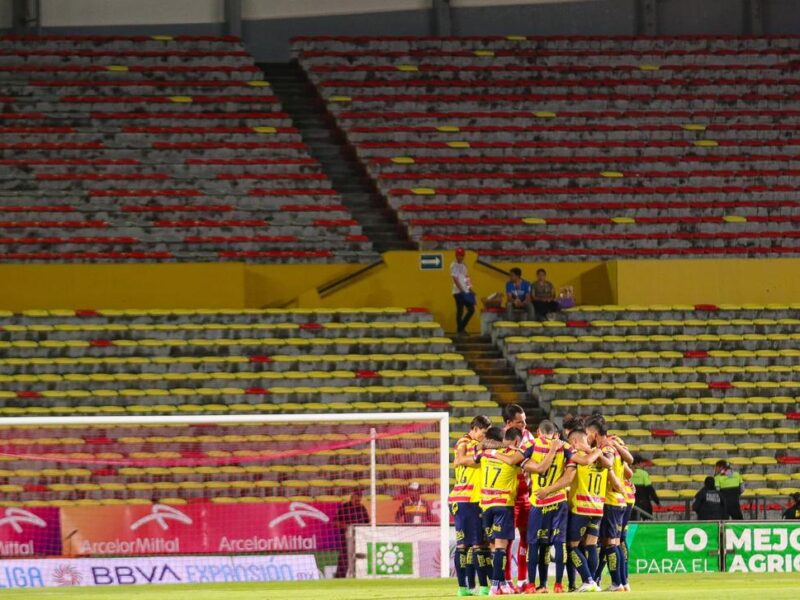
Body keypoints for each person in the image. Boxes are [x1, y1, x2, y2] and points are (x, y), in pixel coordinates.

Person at [449, 415, 493, 597]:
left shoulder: (472, 444)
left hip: (463, 499)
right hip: (469, 500)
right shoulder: (465, 442)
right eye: (483, 433)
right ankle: (482, 587)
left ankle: (465, 588)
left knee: (465, 545)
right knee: (476, 545)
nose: (484, 437)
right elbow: (460, 459)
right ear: (474, 429)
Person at [478, 427, 523, 596]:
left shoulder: (484, 453)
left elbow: (475, 454)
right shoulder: (512, 455)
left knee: (492, 547)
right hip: (503, 505)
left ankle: (502, 583)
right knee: (500, 549)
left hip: (486, 505)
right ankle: (495, 586)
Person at [586, 418, 629, 592]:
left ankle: (617, 583)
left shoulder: (606, 450)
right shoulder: (613, 447)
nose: (588, 437)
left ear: (595, 434)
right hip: (618, 501)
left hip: (611, 500)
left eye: (588, 434)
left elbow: (609, 464)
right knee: (614, 543)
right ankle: (622, 582)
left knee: (610, 543)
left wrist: (614, 480)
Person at [501, 404, 535, 591]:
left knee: (526, 537)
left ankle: (522, 580)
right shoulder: (499, 438)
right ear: (508, 423)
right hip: (508, 497)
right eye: (520, 422)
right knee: (506, 540)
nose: (524, 425)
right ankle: (506, 581)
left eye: (525, 421)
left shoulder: (528, 436)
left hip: (525, 495)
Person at [334, 489, 370, 578]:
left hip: (359, 538)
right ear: (352, 498)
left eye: (359, 499)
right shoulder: (344, 508)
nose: (357, 501)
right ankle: (340, 577)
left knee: (360, 556)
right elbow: (335, 522)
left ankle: (359, 575)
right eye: (356, 499)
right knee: (344, 557)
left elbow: (367, 522)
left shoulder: (362, 508)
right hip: (346, 538)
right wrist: (347, 527)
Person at [451, 247, 476, 335]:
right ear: (456, 255)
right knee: (460, 311)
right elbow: (455, 279)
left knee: (471, 309)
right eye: (458, 255)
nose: (460, 257)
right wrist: (461, 290)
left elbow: (466, 277)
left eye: (461, 255)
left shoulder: (464, 265)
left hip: (465, 291)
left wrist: (470, 289)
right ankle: (460, 330)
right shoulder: (454, 265)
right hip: (458, 292)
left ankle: (461, 328)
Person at [631, 455, 659, 520]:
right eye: (642, 463)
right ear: (638, 463)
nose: (643, 465)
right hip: (643, 503)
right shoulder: (643, 474)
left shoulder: (628, 473)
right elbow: (650, 489)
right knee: (646, 521)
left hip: (631, 503)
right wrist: (657, 501)